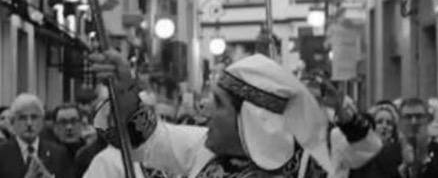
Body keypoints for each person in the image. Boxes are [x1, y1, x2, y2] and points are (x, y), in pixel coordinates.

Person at [88, 50, 380, 178]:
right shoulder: (203, 148)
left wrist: (343, 113)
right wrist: (124, 86)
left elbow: (366, 149)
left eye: (219, 102)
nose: (206, 110)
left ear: (249, 119)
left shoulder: (309, 167)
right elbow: (148, 139)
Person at [0, 93, 73, 178]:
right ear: (12, 122)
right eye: (23, 118)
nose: (29, 123)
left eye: (34, 117)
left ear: (42, 122)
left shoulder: (58, 153)